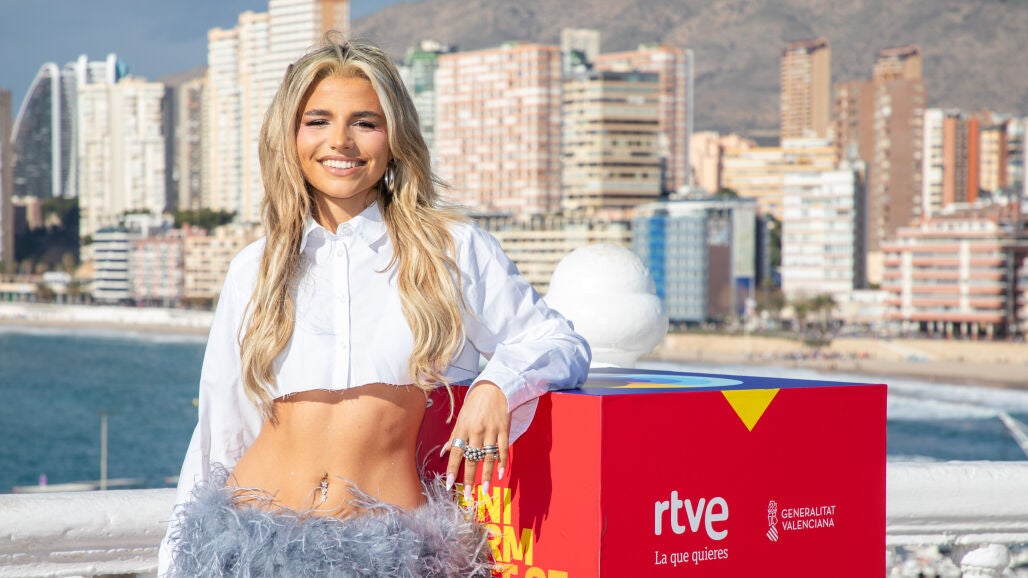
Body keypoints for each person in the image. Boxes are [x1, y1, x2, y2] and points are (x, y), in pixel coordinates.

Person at [158, 36, 591, 577]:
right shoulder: (256, 266)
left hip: (388, 557)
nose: (340, 141)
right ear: (290, 136)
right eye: (317, 121)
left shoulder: (452, 250)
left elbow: (560, 343)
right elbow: (220, 430)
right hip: (246, 545)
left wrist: (497, 385)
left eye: (365, 122)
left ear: (394, 137)